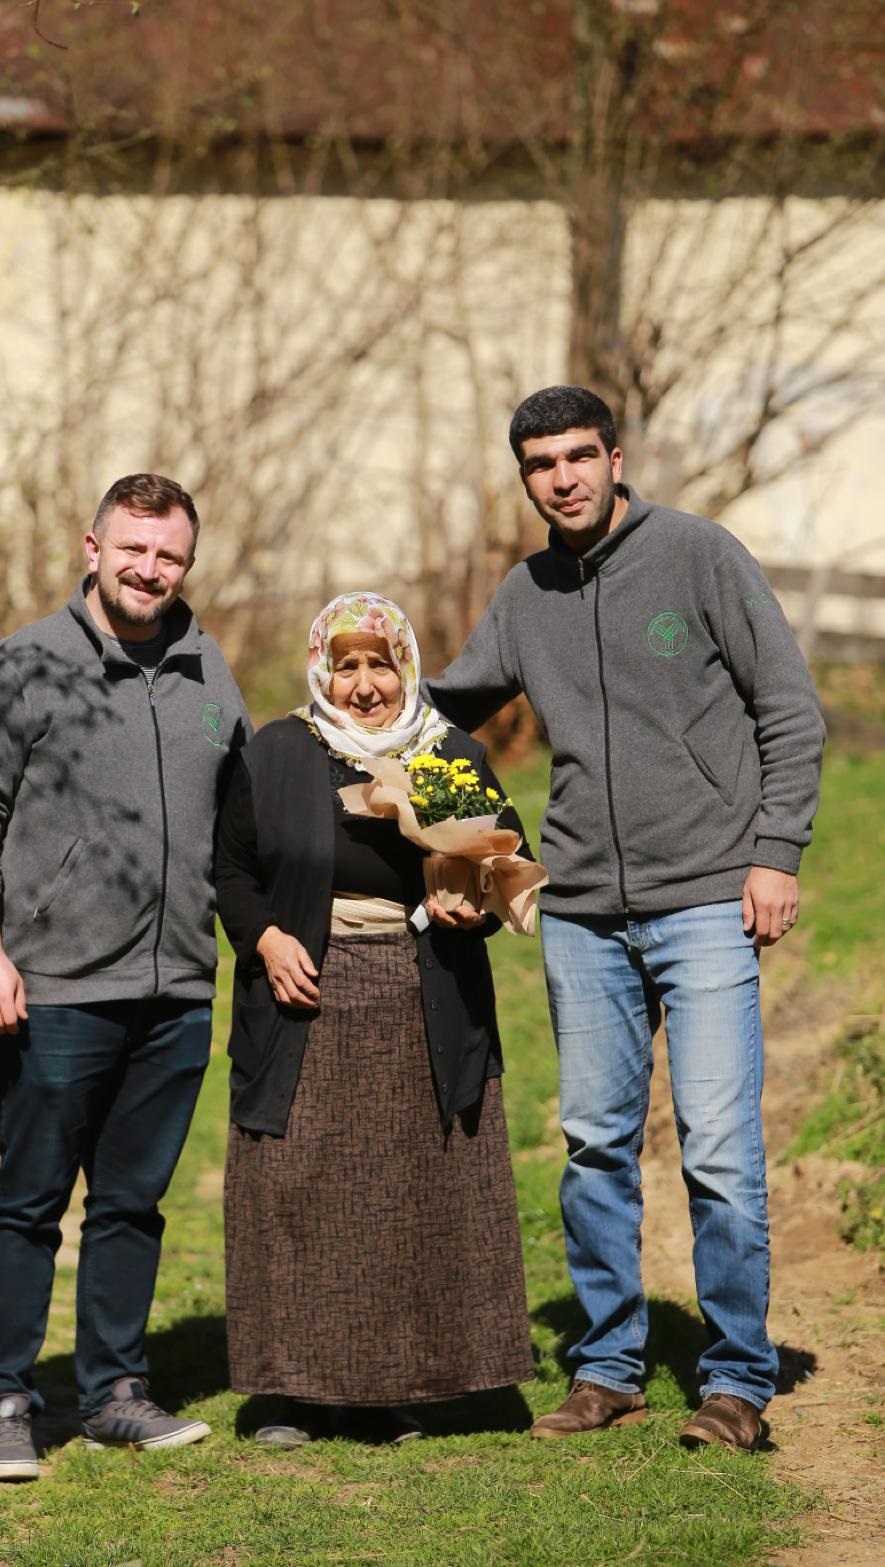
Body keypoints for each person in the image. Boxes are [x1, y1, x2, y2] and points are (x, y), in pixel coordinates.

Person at [424, 386, 825, 1452]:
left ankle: (737, 1380)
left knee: (719, 1150)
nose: (561, 478)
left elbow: (786, 703)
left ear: (614, 457)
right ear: (524, 478)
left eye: (577, 457)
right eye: (539, 464)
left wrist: (774, 851)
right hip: (584, 912)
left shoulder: (697, 555)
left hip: (705, 896)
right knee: (594, 1144)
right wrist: (343, 703)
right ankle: (609, 1366)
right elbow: (451, 704)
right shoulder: (526, 590)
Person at [0, 473, 250, 1480]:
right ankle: (5, 1401)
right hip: (56, 987)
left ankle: (115, 1390)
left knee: (131, 1203)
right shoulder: (25, 664)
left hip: (177, 990)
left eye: (168, 555)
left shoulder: (210, 669)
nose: (149, 569)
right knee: (30, 1200)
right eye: (133, 549)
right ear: (92, 545)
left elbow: (245, 825)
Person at [214, 591, 533, 1447]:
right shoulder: (280, 751)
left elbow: (505, 863)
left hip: (416, 991)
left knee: (401, 1194)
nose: (363, 685)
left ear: (406, 669)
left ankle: (391, 1387)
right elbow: (231, 870)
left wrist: (468, 897)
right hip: (303, 997)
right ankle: (287, 1391)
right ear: (321, 668)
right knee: (294, 1188)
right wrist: (267, 937)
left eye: (379, 664)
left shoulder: (442, 751)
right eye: (346, 665)